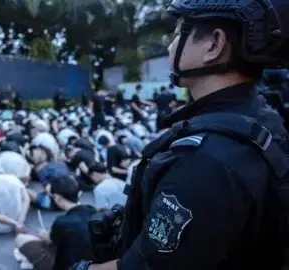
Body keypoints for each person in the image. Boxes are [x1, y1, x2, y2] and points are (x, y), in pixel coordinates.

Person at [72, 0, 289, 269]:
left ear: (214, 45)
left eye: (177, 33)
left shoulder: (205, 162)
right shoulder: (263, 118)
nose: (170, 45)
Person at [15, 202, 97, 270]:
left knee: (20, 238)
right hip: (91, 261)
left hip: (65, 264)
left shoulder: (62, 222)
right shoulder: (96, 218)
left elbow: (51, 240)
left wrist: (44, 234)